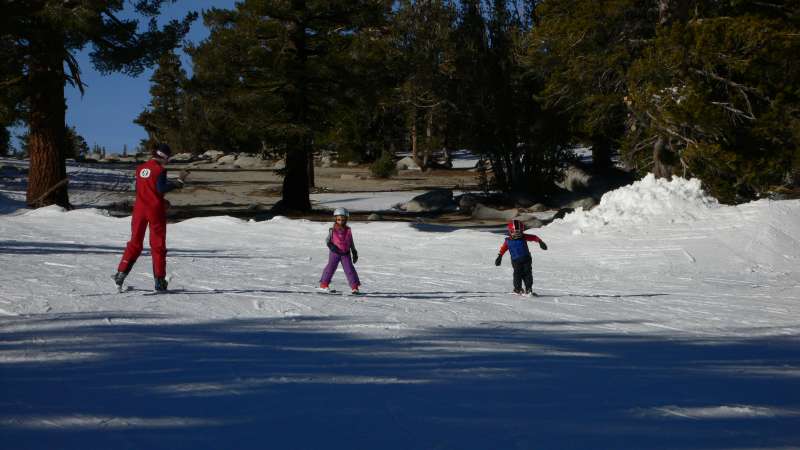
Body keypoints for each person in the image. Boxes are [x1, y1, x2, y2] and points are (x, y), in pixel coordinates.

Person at [112, 143, 188, 292]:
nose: (168, 161)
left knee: (135, 242)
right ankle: (159, 282)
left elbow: (144, 189)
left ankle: (121, 274)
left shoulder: (140, 169)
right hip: (155, 210)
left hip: (139, 209)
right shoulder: (160, 170)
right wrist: (178, 183)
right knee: (158, 244)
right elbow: (160, 188)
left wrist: (160, 199)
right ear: (164, 156)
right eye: (168, 158)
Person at [495, 219, 547, 296]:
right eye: (514, 232)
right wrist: (500, 256)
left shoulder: (524, 237)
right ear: (510, 231)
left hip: (526, 259)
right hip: (515, 261)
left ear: (522, 231)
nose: (517, 234)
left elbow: (534, 237)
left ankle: (528, 289)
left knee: (527, 273)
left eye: (519, 232)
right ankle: (518, 289)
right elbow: (503, 248)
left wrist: (540, 242)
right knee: (517, 274)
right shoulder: (508, 241)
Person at [319, 207, 361, 294]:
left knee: (349, 269)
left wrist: (354, 251)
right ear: (335, 219)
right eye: (338, 219)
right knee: (330, 267)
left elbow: (351, 241)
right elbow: (327, 240)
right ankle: (324, 284)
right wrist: (331, 246)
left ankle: (354, 287)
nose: (341, 221)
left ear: (346, 219)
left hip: (345, 253)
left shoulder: (348, 230)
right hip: (335, 253)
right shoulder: (332, 230)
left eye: (343, 219)